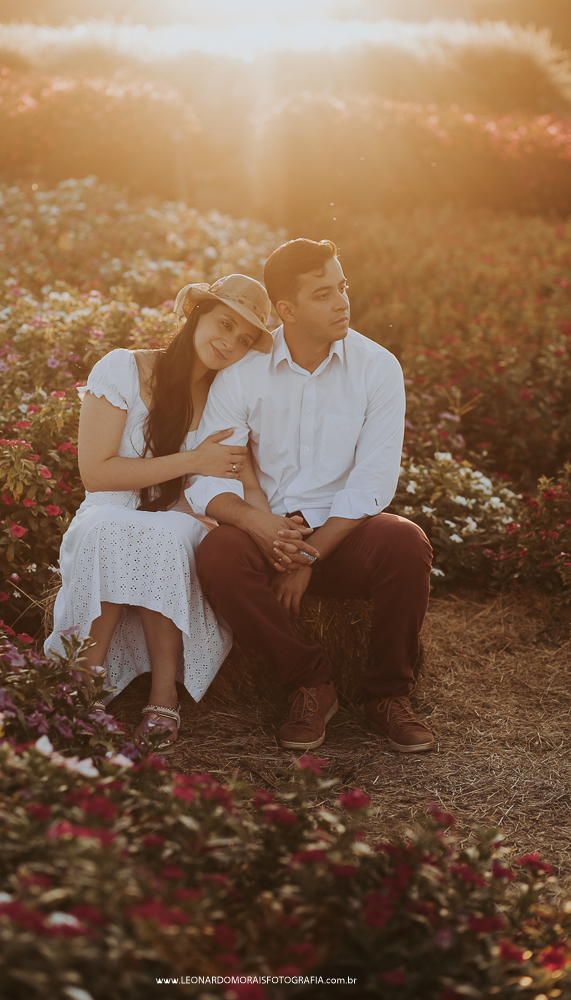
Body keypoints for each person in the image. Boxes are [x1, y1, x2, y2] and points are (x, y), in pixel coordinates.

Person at [187, 239, 434, 753]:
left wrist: (311, 551)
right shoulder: (241, 374)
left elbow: (373, 482)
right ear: (287, 310)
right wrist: (264, 528)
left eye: (342, 287)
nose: (342, 301)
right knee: (216, 553)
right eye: (323, 294)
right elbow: (209, 478)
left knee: (406, 542)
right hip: (267, 533)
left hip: (344, 537)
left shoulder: (377, 367)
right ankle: (310, 682)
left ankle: (387, 695)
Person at [44, 274, 273, 749]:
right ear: (197, 315)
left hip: (179, 514)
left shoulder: (225, 399)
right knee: (108, 527)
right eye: (224, 324)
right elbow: (98, 474)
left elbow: (240, 478)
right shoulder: (123, 369)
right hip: (108, 506)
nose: (230, 343)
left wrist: (265, 531)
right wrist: (193, 460)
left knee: (166, 533)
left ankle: (163, 695)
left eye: (245, 339)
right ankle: (83, 683)